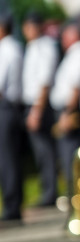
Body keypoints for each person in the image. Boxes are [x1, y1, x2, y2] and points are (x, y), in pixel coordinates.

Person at [50, 21, 80, 195]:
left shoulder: (78, 53)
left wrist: (67, 113)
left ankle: (76, 200)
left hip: (68, 110)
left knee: (71, 159)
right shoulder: (74, 53)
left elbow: (75, 86)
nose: (62, 40)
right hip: (66, 109)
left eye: (65, 36)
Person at [21, 11, 59, 207]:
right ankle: (47, 190)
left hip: (40, 105)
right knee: (39, 151)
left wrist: (36, 111)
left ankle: (50, 192)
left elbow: (44, 82)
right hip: (31, 103)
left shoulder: (45, 47)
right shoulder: (32, 47)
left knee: (45, 150)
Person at [0, 11, 24, 222]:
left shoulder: (5, 50)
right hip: (11, 107)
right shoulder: (14, 47)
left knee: (6, 159)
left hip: (5, 107)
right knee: (11, 158)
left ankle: (12, 205)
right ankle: (14, 202)